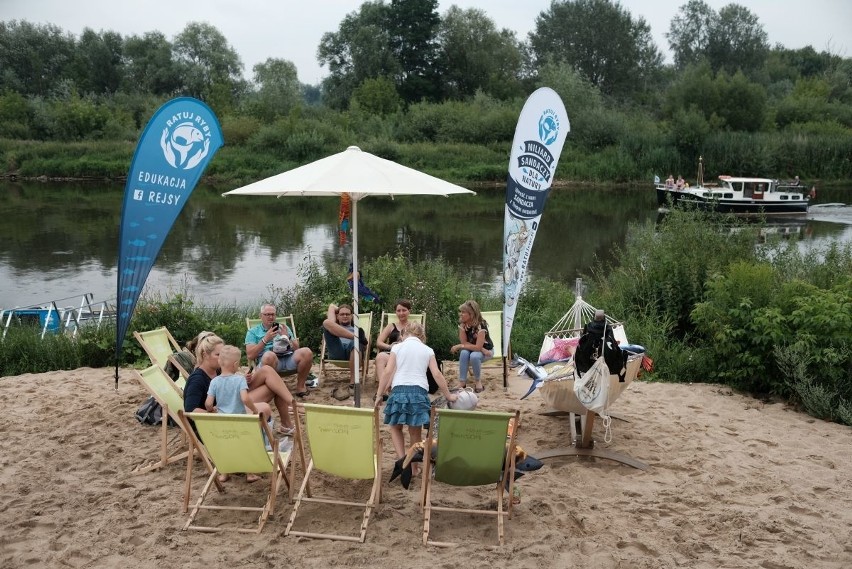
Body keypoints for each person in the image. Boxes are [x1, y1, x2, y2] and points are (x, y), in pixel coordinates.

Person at [374, 323, 457, 465]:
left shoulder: (397, 347)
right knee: (415, 432)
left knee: (395, 427)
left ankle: (402, 461)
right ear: (422, 337)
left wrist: (379, 394)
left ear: (402, 335)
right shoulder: (428, 350)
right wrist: (449, 395)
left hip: (399, 391)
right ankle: (413, 466)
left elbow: (388, 371)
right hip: (419, 392)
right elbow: (437, 374)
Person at [205, 344, 271, 483]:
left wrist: (212, 410)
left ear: (219, 362)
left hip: (223, 423)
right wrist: (253, 409)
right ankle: (250, 473)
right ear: (235, 364)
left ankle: (224, 473)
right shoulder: (240, 379)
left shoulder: (214, 382)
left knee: (226, 447)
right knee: (247, 444)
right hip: (240, 421)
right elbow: (245, 398)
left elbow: (208, 403)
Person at [245, 304, 314, 397]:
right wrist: (265, 339)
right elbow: (250, 355)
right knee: (269, 355)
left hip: (288, 358)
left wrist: (287, 336)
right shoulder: (253, 332)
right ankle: (274, 388)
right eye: (267, 314)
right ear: (260, 316)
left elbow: (297, 348)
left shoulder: (283, 327)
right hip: (270, 362)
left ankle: (300, 387)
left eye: (273, 314)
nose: (270, 317)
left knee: (306, 351)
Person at [450, 300, 494, 393]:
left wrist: (459, 346)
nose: (460, 314)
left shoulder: (481, 325)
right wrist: (480, 348)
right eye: (460, 312)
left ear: (471, 314)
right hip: (477, 350)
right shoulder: (463, 324)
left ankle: (478, 381)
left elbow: (476, 348)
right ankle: (462, 382)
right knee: (464, 352)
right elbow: (465, 343)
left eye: (463, 312)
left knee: (474, 355)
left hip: (487, 352)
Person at [321, 303, 368, 387]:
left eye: (347, 314)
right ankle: (355, 338)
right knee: (326, 322)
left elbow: (364, 347)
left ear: (352, 316)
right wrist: (344, 307)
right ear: (337, 316)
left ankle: (353, 381)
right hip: (337, 350)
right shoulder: (334, 327)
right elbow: (331, 306)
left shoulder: (358, 330)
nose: (345, 316)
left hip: (353, 352)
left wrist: (359, 342)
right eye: (342, 314)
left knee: (355, 343)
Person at [373, 299, 414, 389]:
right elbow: (379, 342)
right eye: (398, 310)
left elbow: (422, 343)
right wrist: (390, 346)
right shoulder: (391, 326)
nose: (401, 313)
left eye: (404, 310)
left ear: (409, 311)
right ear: (395, 312)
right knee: (380, 357)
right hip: (392, 354)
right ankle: (383, 388)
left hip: (408, 356)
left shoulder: (414, 326)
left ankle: (387, 387)